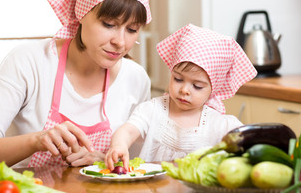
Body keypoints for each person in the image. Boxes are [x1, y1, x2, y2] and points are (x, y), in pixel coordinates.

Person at [0, 0, 152, 168]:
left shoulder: (136, 79)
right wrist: (36, 140)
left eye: (132, 29)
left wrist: (104, 159)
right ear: (81, 13)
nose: (120, 42)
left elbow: (135, 164)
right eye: (109, 24)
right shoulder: (28, 62)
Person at [105, 24, 257, 171]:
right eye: (178, 79)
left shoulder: (220, 125)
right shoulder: (152, 110)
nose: (184, 90)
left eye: (197, 86)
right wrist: (119, 146)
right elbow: (127, 131)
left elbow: (251, 143)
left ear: (213, 89)